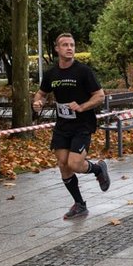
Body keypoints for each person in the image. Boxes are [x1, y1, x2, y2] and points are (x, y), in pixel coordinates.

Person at [32, 33, 111, 220]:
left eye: (72, 45)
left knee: (74, 164)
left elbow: (100, 96)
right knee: (63, 164)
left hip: (82, 125)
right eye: (65, 45)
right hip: (62, 126)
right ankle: (80, 204)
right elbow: (41, 93)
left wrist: (82, 106)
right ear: (56, 49)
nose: (69, 48)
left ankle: (98, 169)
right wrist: (38, 102)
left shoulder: (83, 71)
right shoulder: (51, 74)